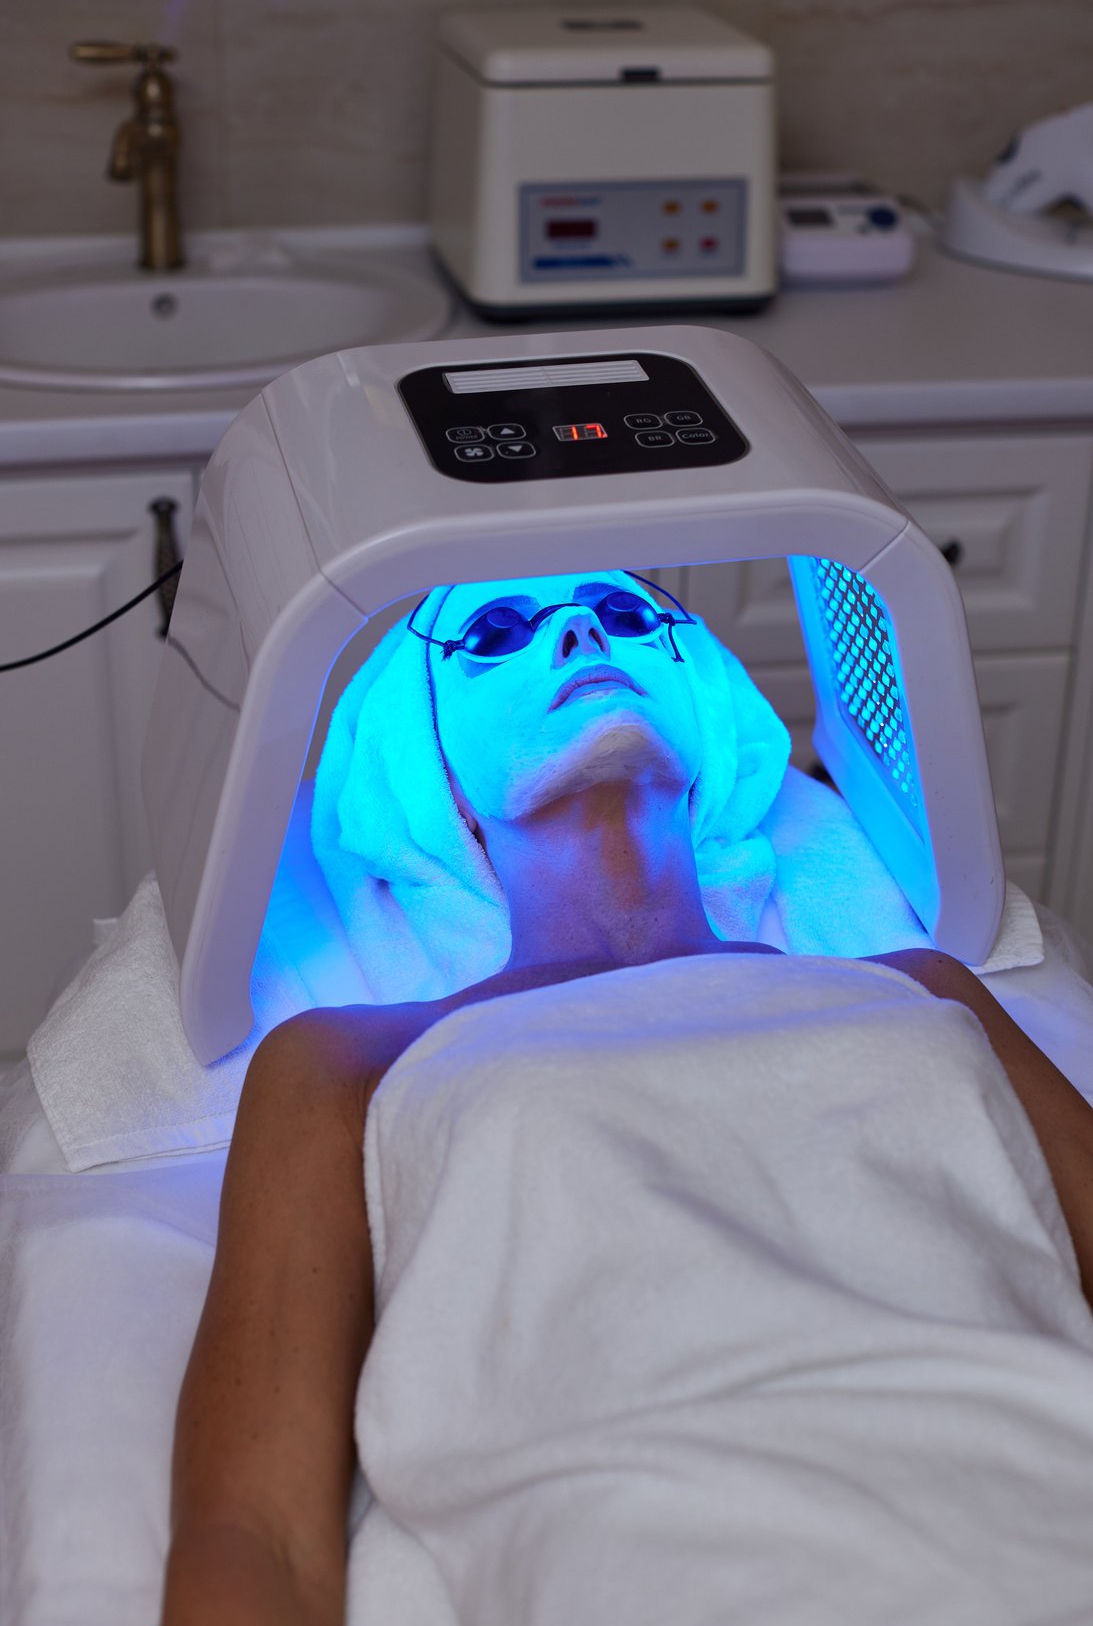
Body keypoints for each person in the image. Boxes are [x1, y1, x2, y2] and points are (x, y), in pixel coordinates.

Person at [161, 573, 1093, 1626]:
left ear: (702, 713)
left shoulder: (917, 987)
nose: (574, 632)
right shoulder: (346, 1064)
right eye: (497, 633)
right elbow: (256, 1533)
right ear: (435, 776)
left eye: (622, 614)